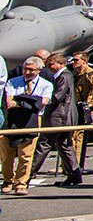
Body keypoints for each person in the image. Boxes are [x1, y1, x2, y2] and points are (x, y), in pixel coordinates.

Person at [3, 55, 53, 194]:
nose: (27, 72)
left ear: (39, 70)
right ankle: (8, 180)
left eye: (31, 70)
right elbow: (10, 102)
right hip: (12, 121)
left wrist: (21, 101)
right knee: (7, 155)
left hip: (33, 120)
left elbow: (43, 102)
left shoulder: (46, 84)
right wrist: (32, 101)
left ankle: (21, 183)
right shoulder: (13, 82)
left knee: (26, 155)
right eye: (26, 69)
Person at [31, 51, 82, 187]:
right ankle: (74, 174)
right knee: (64, 145)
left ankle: (28, 173)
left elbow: (56, 97)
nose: (48, 66)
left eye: (51, 64)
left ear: (61, 64)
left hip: (59, 116)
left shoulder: (64, 77)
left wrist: (39, 100)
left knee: (44, 144)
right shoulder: (62, 76)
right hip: (64, 116)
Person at [68, 50, 93, 174]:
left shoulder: (89, 73)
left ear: (84, 61)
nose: (73, 62)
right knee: (73, 135)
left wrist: (91, 103)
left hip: (82, 107)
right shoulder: (76, 73)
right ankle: (71, 163)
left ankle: (77, 164)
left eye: (76, 60)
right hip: (75, 105)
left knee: (78, 136)